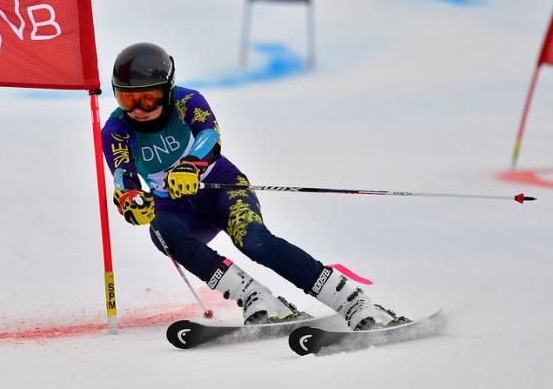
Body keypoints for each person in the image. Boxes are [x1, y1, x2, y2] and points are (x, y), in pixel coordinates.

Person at [101, 42, 406, 329]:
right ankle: (255, 297)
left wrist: (191, 165)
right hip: (175, 206)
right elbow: (123, 177)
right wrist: (132, 203)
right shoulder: (116, 129)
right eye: (127, 98)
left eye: (148, 97)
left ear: (167, 91)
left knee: (255, 240)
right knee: (161, 232)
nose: (138, 108)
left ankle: (352, 300)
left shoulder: (187, 101)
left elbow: (210, 136)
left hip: (220, 187)